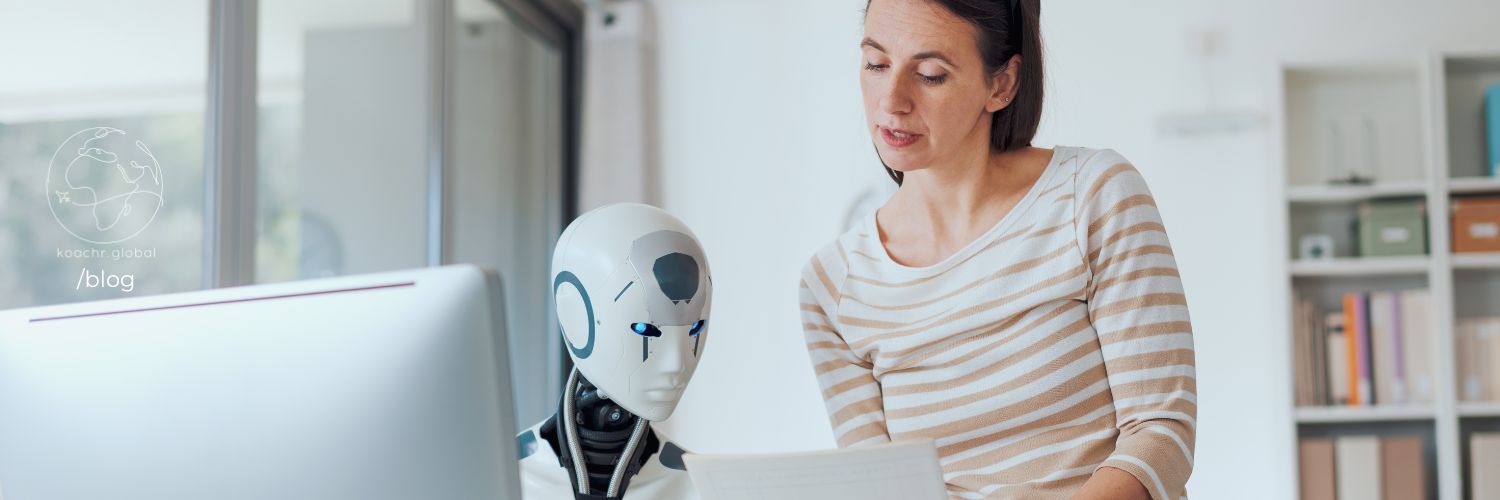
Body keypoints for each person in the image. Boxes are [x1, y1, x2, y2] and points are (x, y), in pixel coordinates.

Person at [798, 0, 1197, 498]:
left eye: (929, 74)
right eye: (876, 64)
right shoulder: (833, 285)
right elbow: (882, 487)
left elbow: (1161, 434)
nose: (891, 100)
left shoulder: (1093, 195)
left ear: (1001, 83)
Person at [518, 203, 712, 500]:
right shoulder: (494, 480)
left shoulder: (704, 488)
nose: (677, 363)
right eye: (647, 331)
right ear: (576, 315)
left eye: (695, 329)